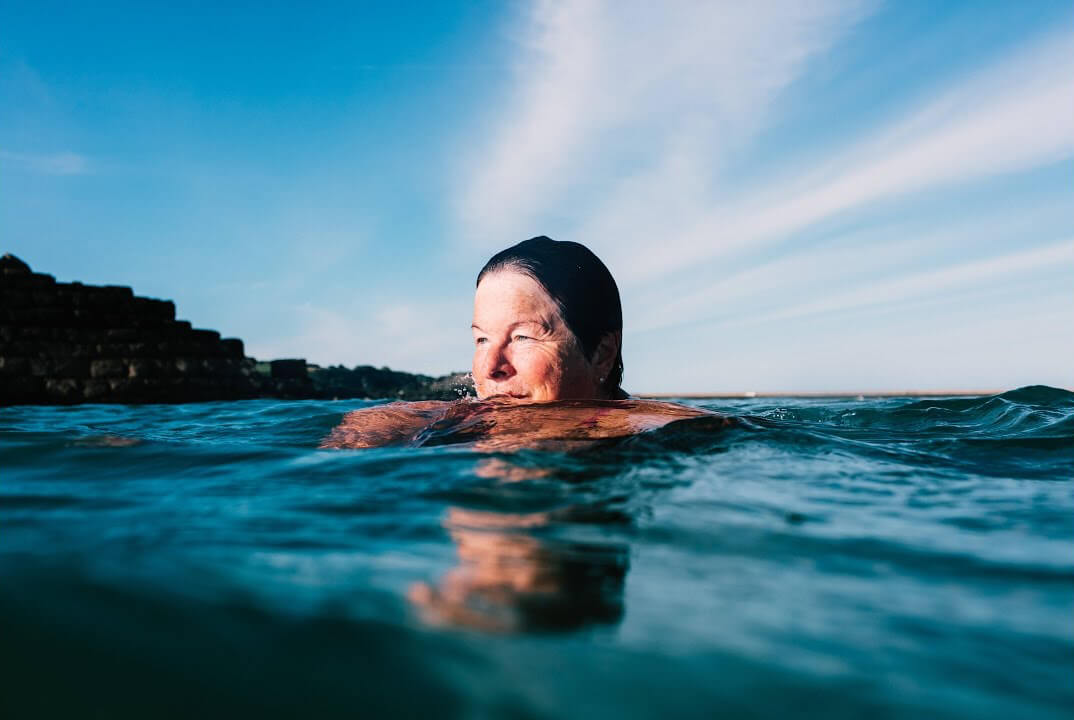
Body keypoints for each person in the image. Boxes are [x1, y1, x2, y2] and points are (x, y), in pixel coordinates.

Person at [321, 236, 727, 449]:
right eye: (481, 338)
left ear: (602, 353)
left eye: (521, 336)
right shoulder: (456, 419)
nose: (491, 366)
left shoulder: (658, 431)